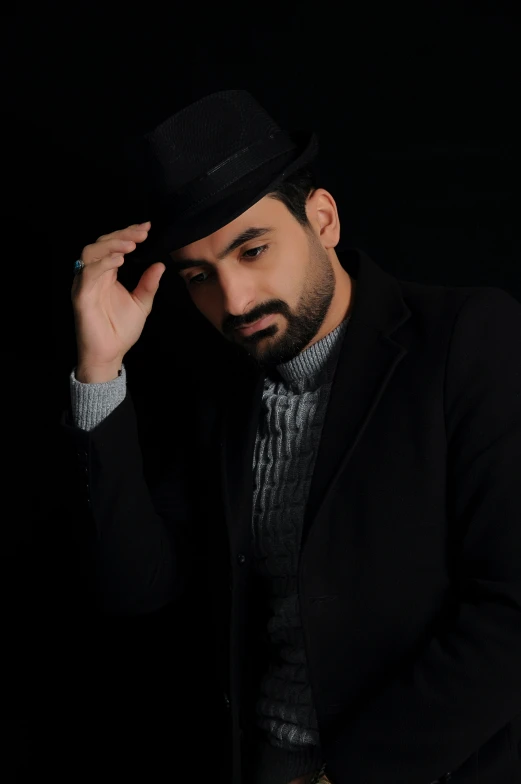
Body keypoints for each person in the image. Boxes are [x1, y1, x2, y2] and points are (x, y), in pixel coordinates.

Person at [60, 89, 521, 784]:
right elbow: (137, 590)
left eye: (253, 250)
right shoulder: (220, 394)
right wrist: (99, 371)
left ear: (322, 219)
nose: (235, 301)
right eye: (199, 277)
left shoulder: (465, 340)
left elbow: (510, 609)